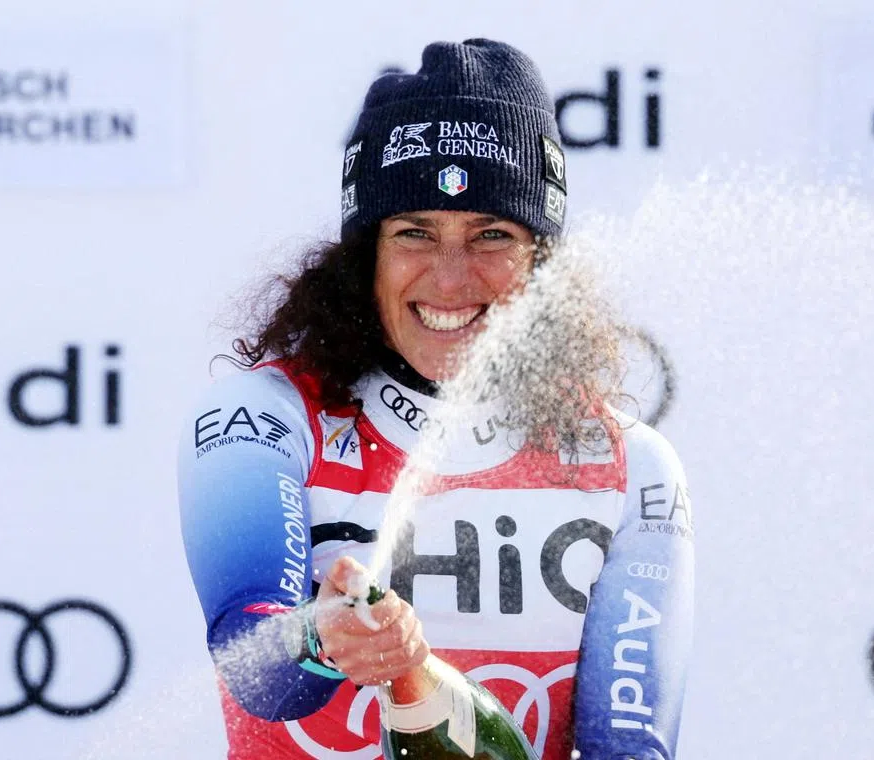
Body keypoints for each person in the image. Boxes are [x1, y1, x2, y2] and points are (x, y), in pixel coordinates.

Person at [178, 38, 694, 760]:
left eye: (492, 235)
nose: (450, 280)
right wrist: (321, 636)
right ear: (367, 255)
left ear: (542, 261)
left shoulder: (630, 465)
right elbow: (255, 668)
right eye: (414, 233)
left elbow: (632, 748)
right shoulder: (266, 418)